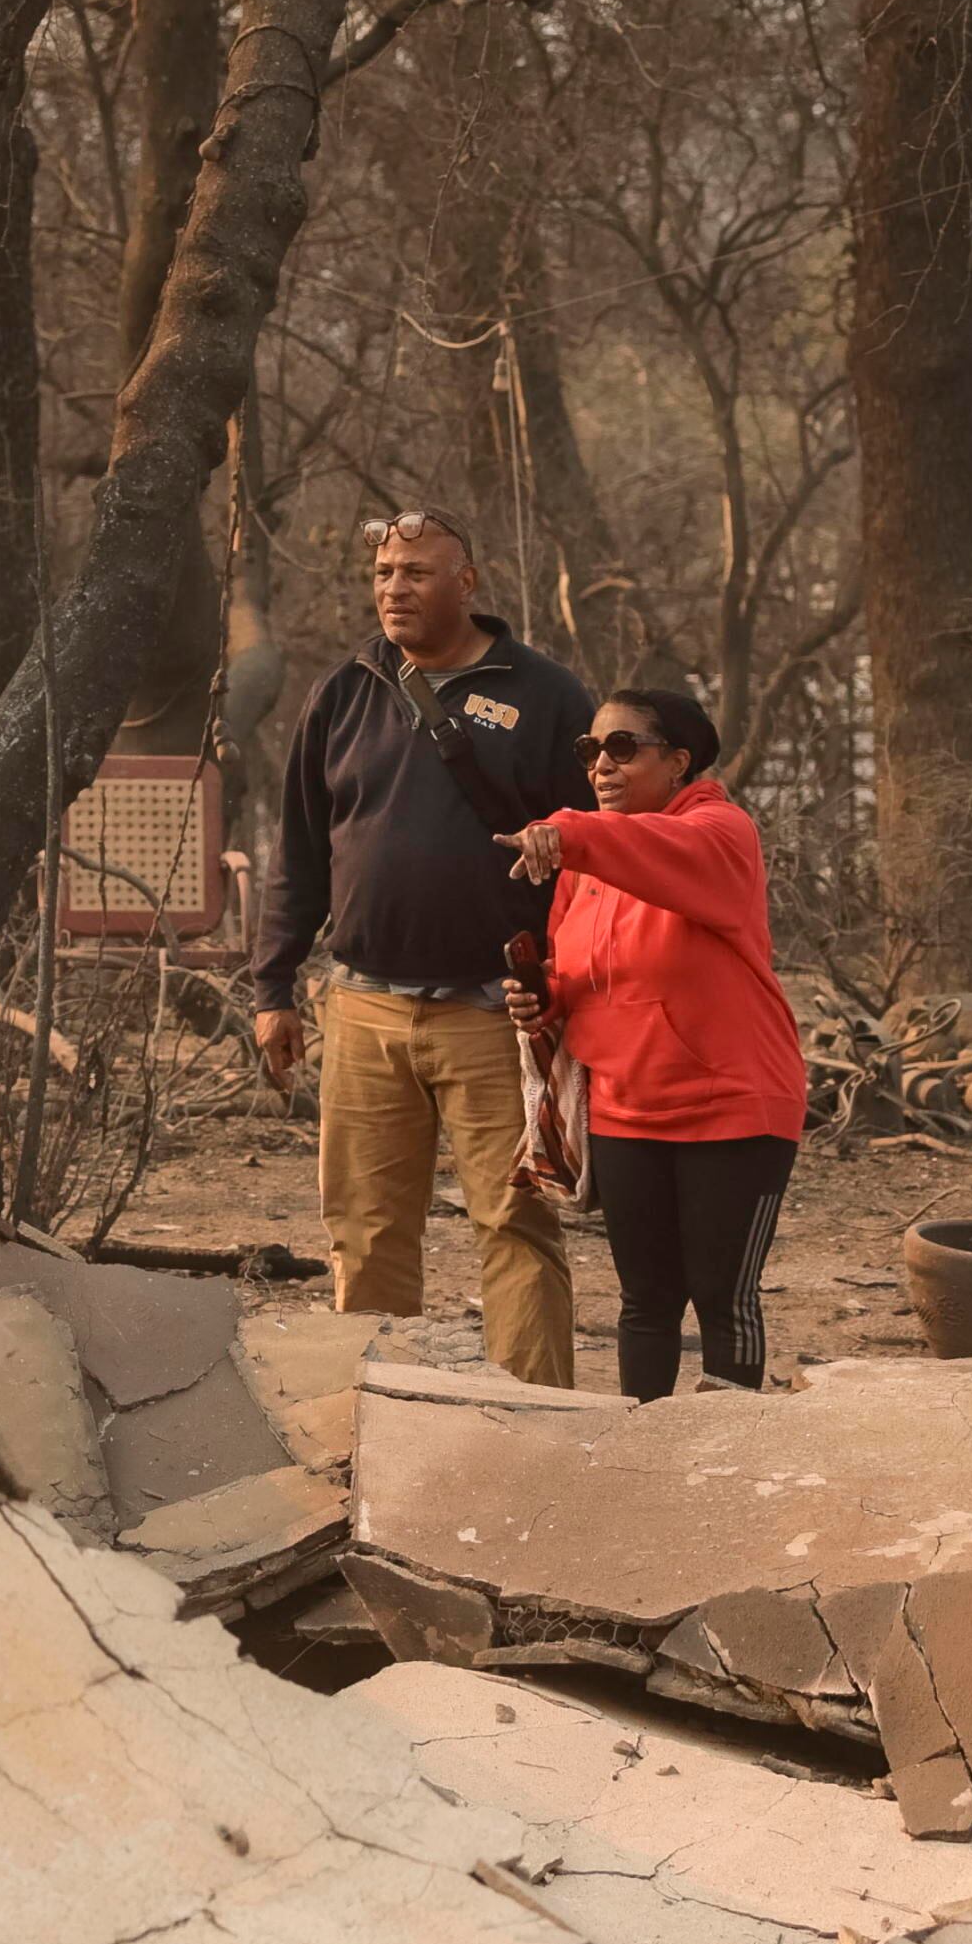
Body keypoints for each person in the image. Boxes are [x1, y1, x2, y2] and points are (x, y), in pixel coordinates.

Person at [246, 511, 597, 1387]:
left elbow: (596, 853)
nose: (395, 588)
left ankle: (536, 1424)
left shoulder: (546, 695)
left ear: (467, 581)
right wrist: (273, 986)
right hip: (363, 1006)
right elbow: (299, 849)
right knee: (364, 1230)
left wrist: (567, 983)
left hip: (494, 1010)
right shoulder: (346, 690)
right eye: (384, 573)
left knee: (514, 1224)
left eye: (417, 572)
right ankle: (374, 1419)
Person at [502, 685, 807, 1399]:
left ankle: (720, 1470)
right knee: (645, 1300)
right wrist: (542, 994)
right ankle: (640, 1462)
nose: (601, 764)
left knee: (721, 1297)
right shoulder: (587, 861)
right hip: (625, 1108)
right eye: (590, 750)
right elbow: (578, 970)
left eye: (622, 747)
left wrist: (567, 829)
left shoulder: (721, 831)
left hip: (732, 1106)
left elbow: (651, 850)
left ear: (677, 761)